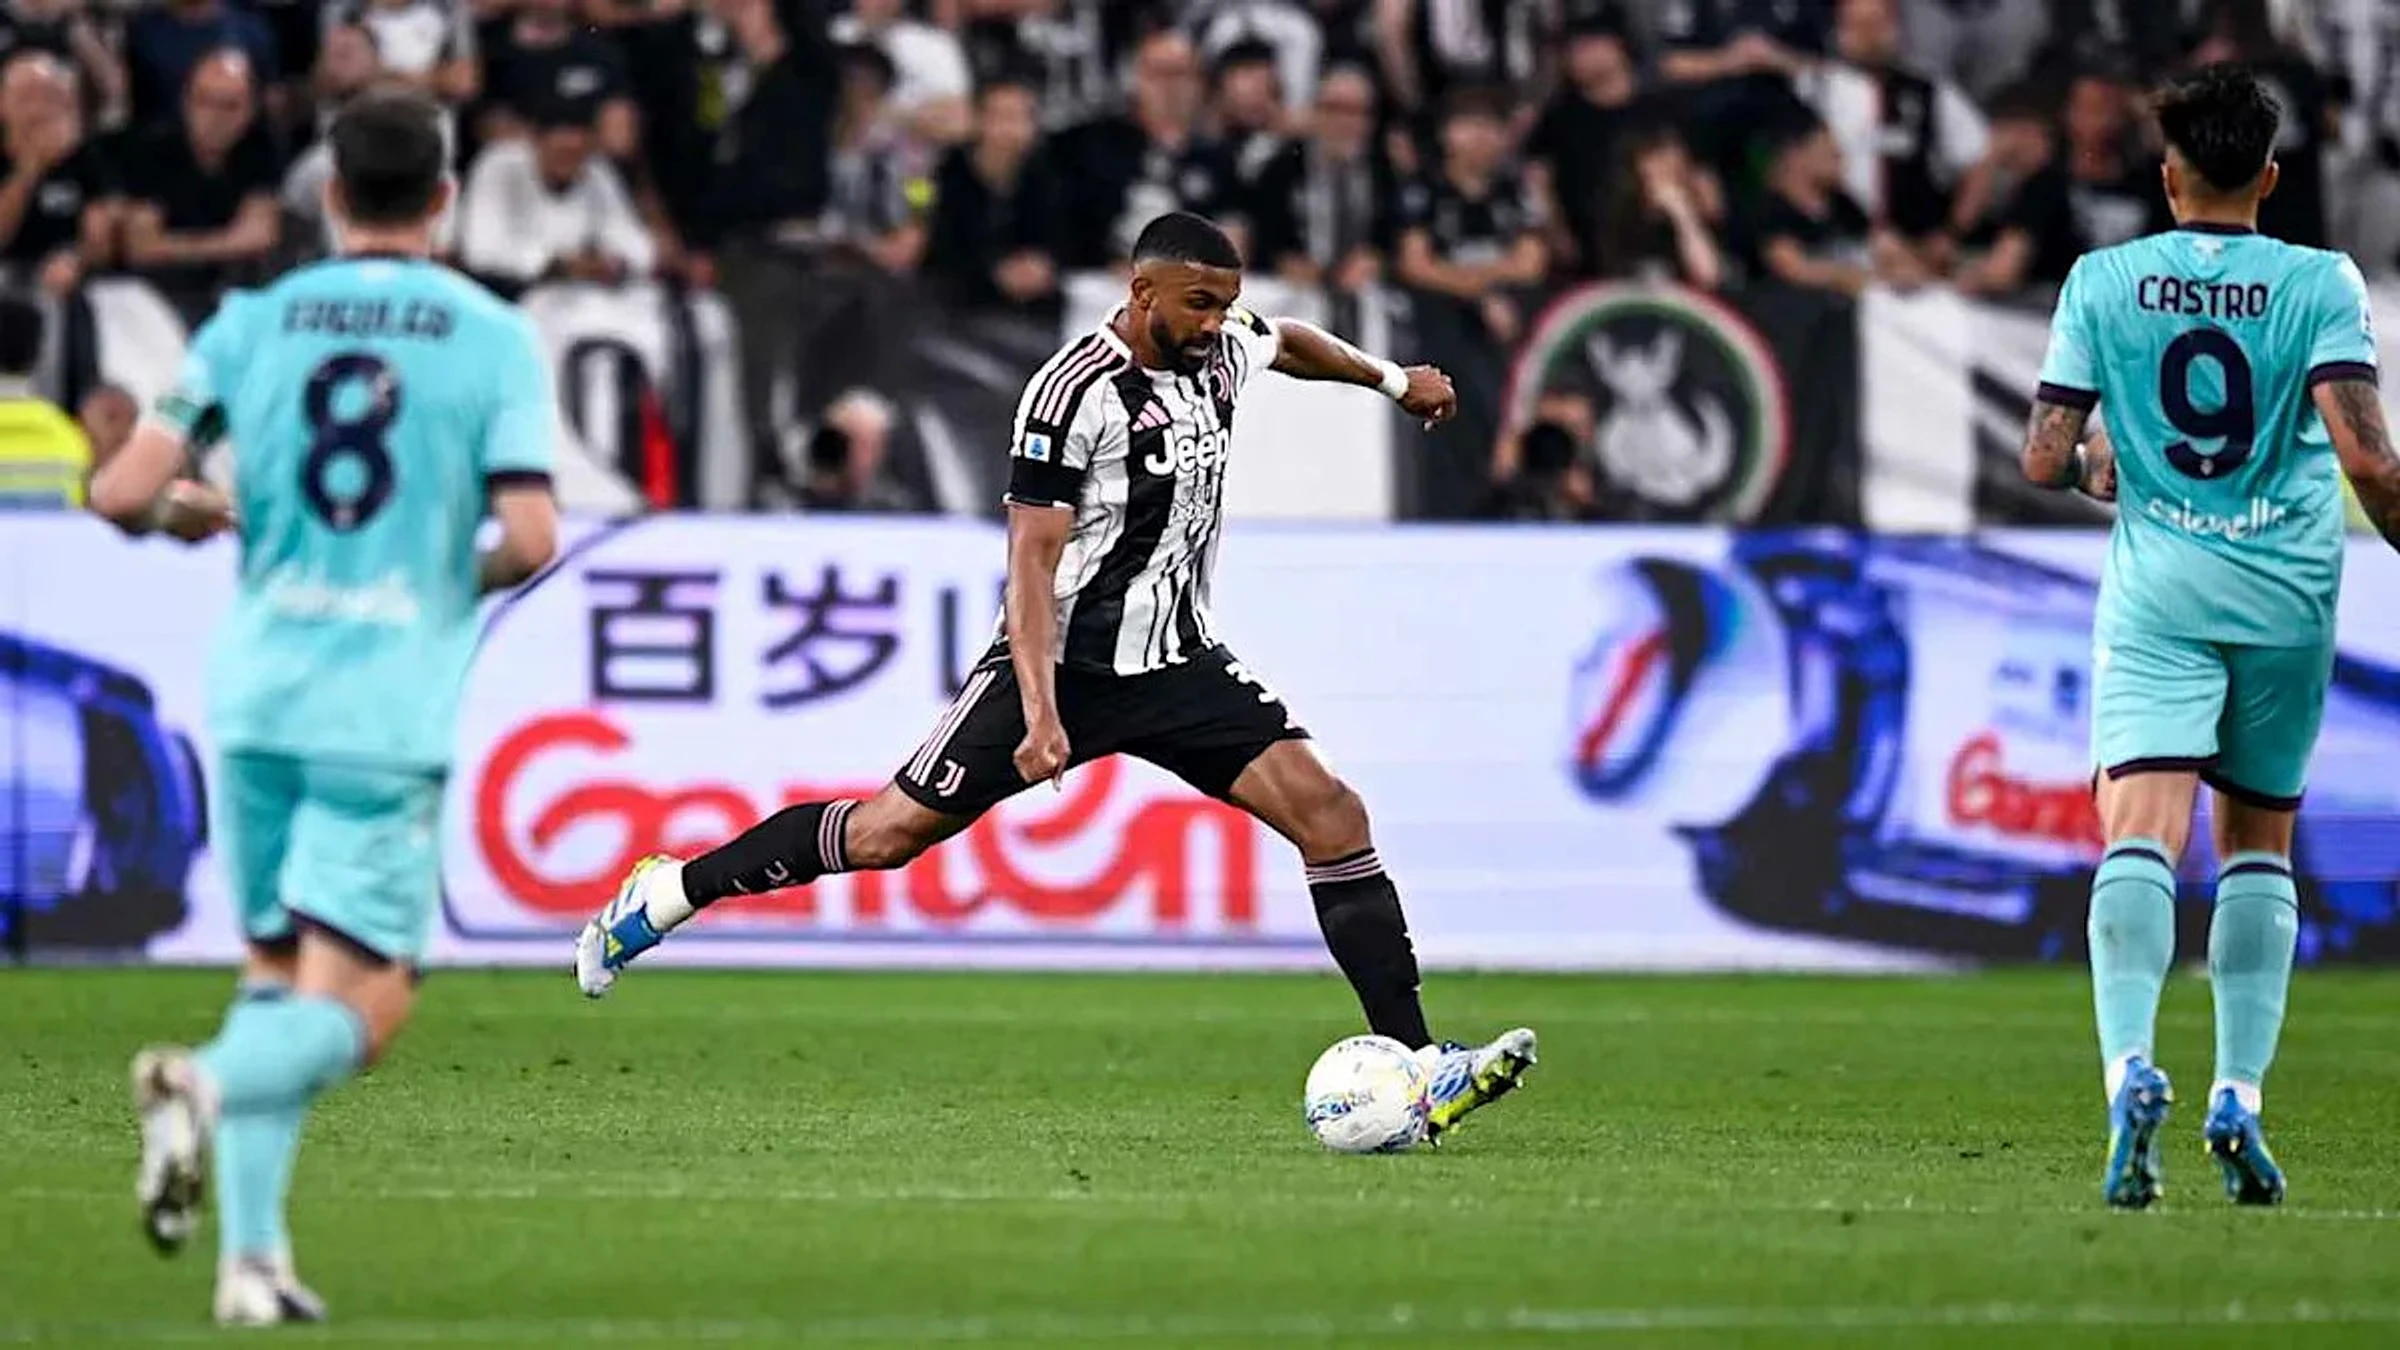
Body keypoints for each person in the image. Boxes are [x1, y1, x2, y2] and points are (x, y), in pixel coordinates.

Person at [576, 210, 1539, 1142]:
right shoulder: (1071, 393)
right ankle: (672, 892)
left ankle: (1422, 1066)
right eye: (1200, 304)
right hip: (1061, 665)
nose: (1217, 323)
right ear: (1142, 291)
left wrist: (1390, 380)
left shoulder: (1223, 346)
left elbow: (1286, 339)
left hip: (1177, 660)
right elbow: (1031, 565)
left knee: (1332, 815)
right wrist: (1041, 714)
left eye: (1224, 304)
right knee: (885, 835)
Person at [89, 89, 559, 1325]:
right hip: (381, 707)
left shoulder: (250, 322)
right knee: (372, 996)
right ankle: (201, 1083)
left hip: (255, 695)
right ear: (445, 199)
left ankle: (252, 1265)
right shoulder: (490, 334)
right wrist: (442, 581)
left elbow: (122, 492)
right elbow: (530, 536)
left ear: (331, 195)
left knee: (276, 966)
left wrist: (184, 513)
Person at [2022, 63, 2397, 1211]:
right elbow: (2368, 460)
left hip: (2162, 596)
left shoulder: (2103, 279)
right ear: (2270, 178)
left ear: (2169, 175)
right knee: (2257, 846)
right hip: (2286, 599)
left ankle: (2130, 1071)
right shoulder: (2321, 281)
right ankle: (2239, 1092)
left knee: (2139, 829)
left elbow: (2046, 455)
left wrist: (2098, 467)